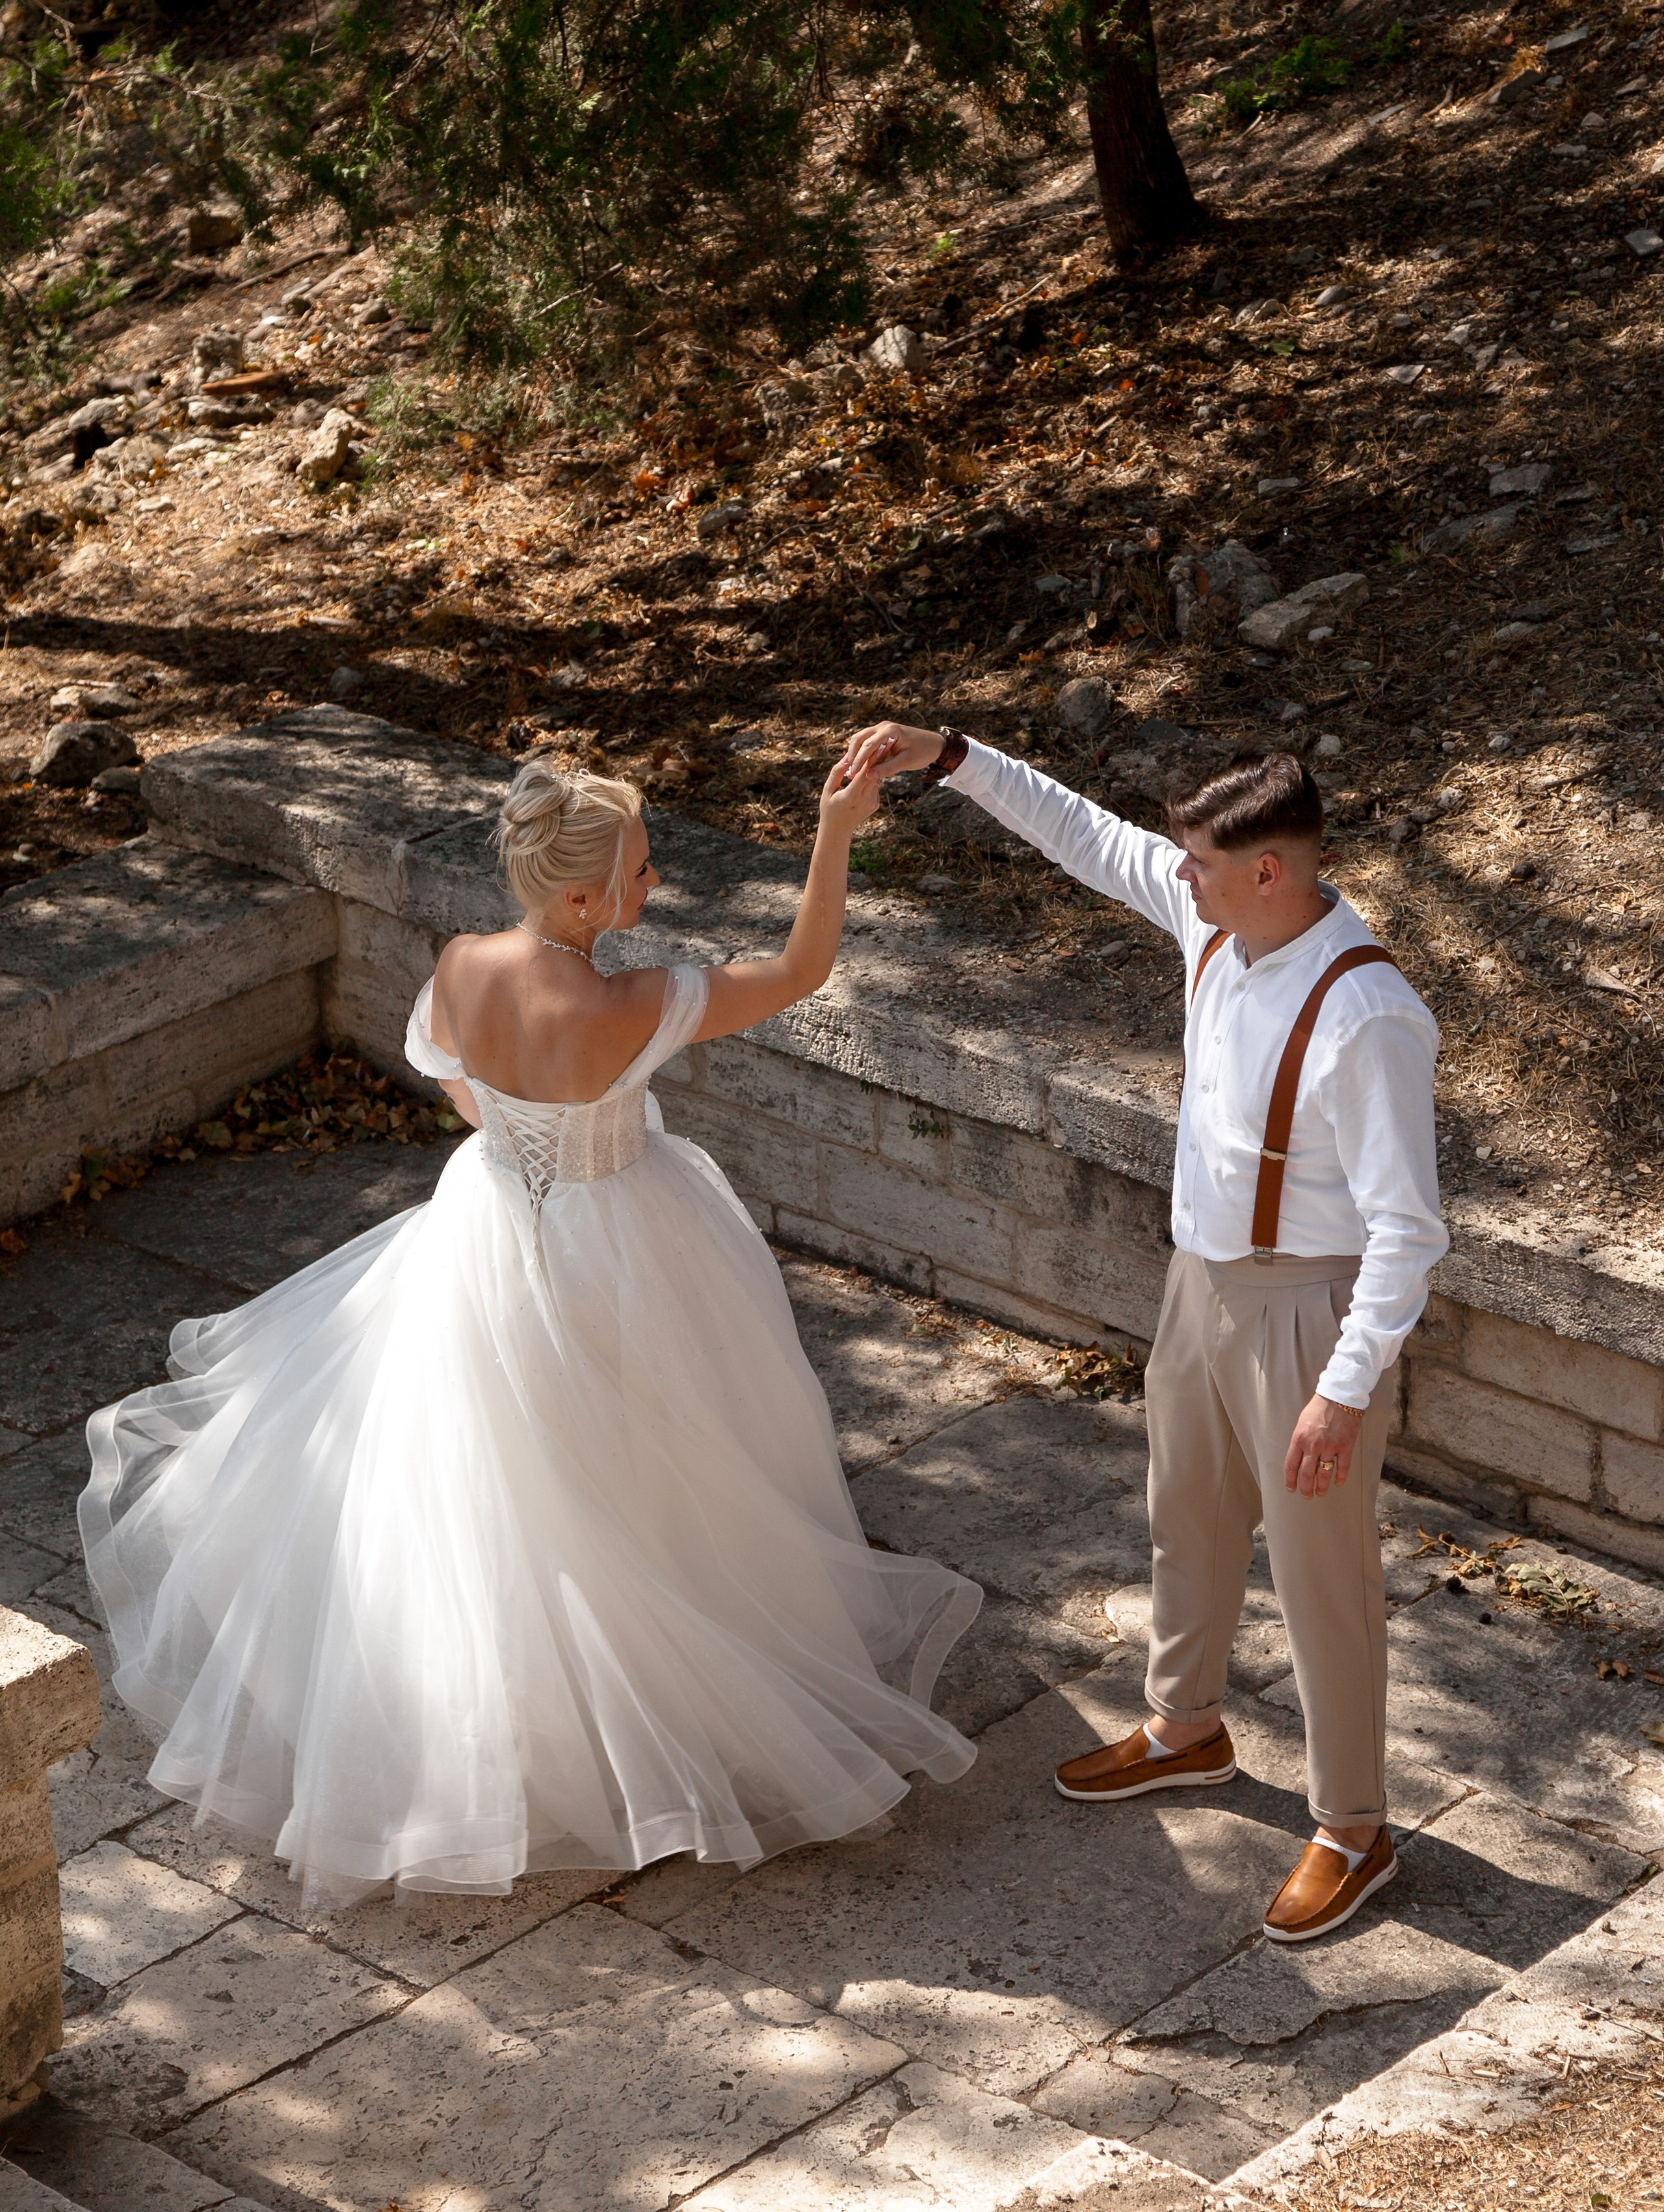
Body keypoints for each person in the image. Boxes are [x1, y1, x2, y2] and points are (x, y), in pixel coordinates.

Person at [80, 753, 981, 1909]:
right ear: (578, 900)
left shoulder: (462, 965)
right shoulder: (637, 1003)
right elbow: (805, 967)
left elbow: (453, 1079)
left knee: (483, 1488)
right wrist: (835, 829)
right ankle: (650, 1726)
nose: (654, 885)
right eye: (639, 871)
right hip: (626, 1244)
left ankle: (499, 1729)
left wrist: (520, 1140)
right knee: (646, 1469)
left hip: (489, 1224)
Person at [843, 719, 1447, 1945]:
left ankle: (1353, 1826)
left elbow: (1409, 1231)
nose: (1179, 875)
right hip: (1200, 1285)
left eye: (1205, 862)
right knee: (1189, 1517)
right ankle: (1188, 1727)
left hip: (1309, 1309)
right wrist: (950, 755)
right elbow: (1087, 836)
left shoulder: (1366, 1012)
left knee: (1323, 1573)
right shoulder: (1217, 922)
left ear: (1270, 869)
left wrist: (1341, 1387)